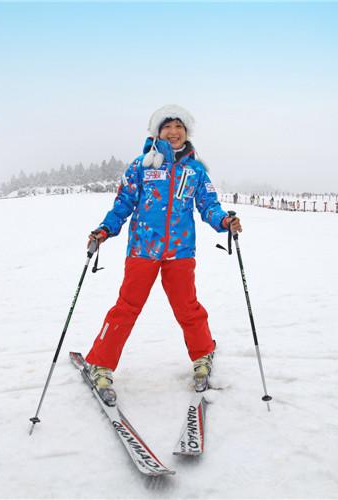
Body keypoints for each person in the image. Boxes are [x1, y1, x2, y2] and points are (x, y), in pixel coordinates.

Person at [83, 105, 242, 404]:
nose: (173, 132)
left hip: (180, 251)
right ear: (157, 132)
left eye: (178, 127)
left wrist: (224, 221)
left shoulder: (195, 170)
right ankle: (100, 363)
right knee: (127, 308)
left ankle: (203, 355)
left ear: (186, 132)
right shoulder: (140, 166)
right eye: (167, 126)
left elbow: (208, 205)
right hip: (143, 249)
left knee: (188, 307)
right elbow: (123, 204)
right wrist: (105, 230)